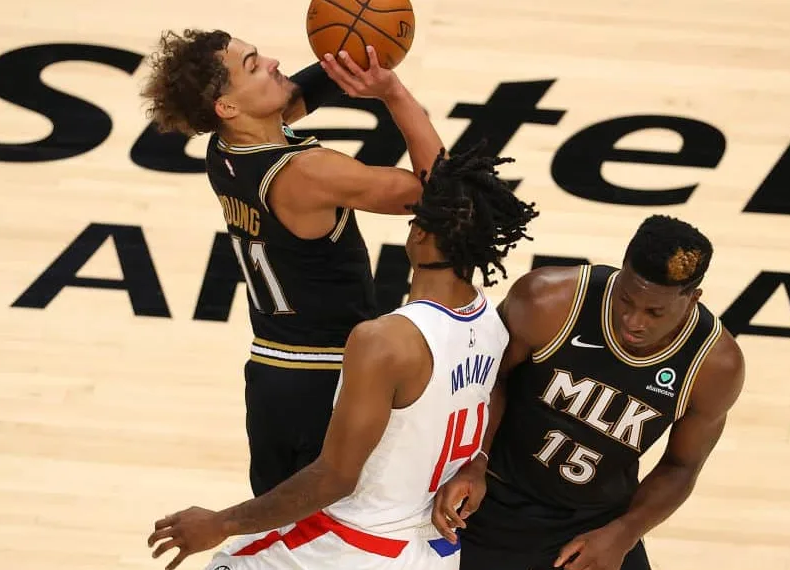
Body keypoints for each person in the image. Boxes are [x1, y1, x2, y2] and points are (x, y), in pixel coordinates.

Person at [145, 145, 541, 570]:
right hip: (431, 554)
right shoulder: (493, 326)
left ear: (419, 233)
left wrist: (221, 523)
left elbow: (334, 478)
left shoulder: (384, 341)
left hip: (348, 547)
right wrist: (478, 461)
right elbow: (497, 392)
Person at [139, 29, 446, 497]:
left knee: (278, 536)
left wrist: (356, 50)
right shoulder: (307, 173)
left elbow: (302, 92)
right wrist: (394, 93)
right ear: (227, 106)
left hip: (271, 377)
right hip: (330, 379)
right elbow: (441, 192)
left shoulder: (224, 149)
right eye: (254, 65)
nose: (274, 62)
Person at [432, 214, 747, 570]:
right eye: (625, 299)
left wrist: (624, 532)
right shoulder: (548, 301)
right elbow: (486, 381)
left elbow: (681, 466)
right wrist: (474, 459)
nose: (633, 321)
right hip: (493, 496)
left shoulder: (715, 366)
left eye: (654, 312)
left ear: (693, 299)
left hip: (596, 521)